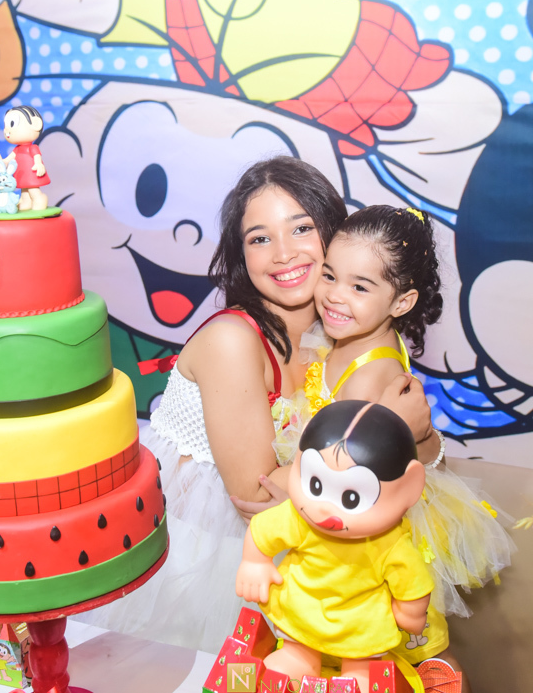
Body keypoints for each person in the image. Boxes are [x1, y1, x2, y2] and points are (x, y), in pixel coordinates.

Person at [76, 156, 435, 651]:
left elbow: (410, 465)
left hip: (302, 553)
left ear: (336, 236)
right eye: (259, 238)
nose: (283, 254)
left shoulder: (338, 334)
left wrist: (423, 435)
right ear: (241, 254)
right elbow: (257, 498)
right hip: (198, 554)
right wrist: (392, 429)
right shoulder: (233, 341)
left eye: (302, 228)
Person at [280, 204, 515, 685]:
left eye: (360, 287)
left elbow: (339, 475)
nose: (334, 296)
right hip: (356, 510)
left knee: (371, 640)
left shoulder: (372, 375)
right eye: (329, 275)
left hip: (365, 526)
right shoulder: (347, 338)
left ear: (401, 303)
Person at [237, 401, 431, 693]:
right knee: (293, 658)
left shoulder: (389, 543)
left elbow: (411, 581)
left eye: (352, 498)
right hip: (301, 611)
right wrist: (254, 563)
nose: (325, 511)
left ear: (407, 488)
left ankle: (357, 674)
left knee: (361, 673)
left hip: (360, 625)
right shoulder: (297, 518)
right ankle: (299, 659)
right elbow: (263, 531)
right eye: (315, 486)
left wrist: (412, 611)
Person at [2, 105, 49, 211]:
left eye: (12, 124)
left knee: (32, 188)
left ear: (36, 124)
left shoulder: (33, 147)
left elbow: (37, 156)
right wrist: (4, 161)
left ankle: (40, 198)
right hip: (22, 172)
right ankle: (26, 202)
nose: (7, 131)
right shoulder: (17, 149)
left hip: (31, 172)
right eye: (6, 126)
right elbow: (10, 157)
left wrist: (38, 164)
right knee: (24, 189)